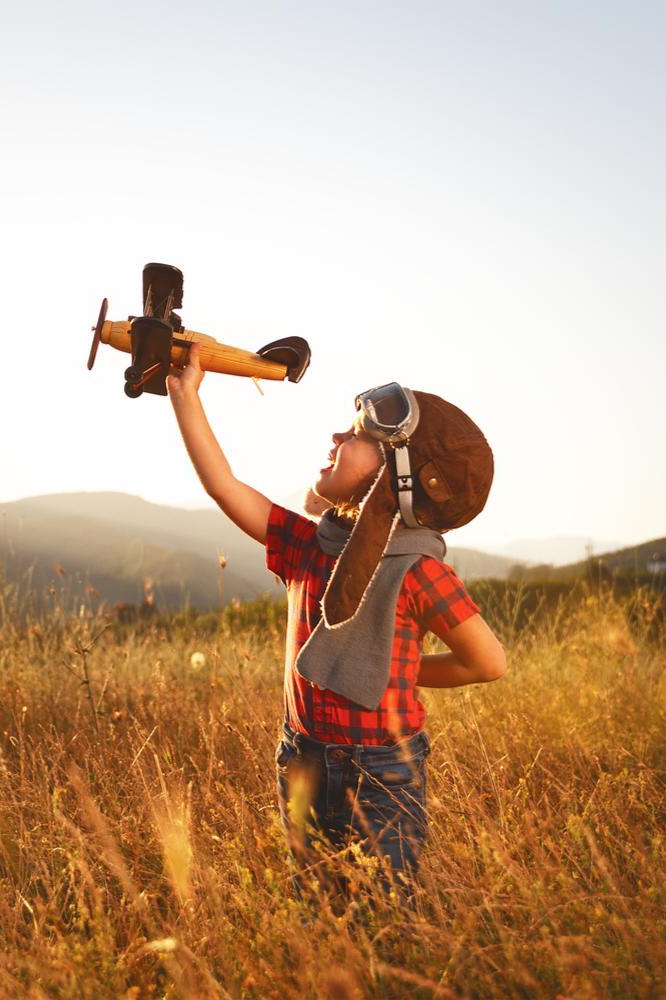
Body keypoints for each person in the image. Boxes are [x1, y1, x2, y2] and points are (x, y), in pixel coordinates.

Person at [167, 345, 506, 908]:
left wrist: (403, 673)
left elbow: (488, 662)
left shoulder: (417, 570)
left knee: (380, 919)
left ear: (398, 474)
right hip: (301, 756)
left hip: (382, 775)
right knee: (317, 910)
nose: (335, 438)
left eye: (354, 437)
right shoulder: (310, 546)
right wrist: (186, 397)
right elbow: (224, 486)